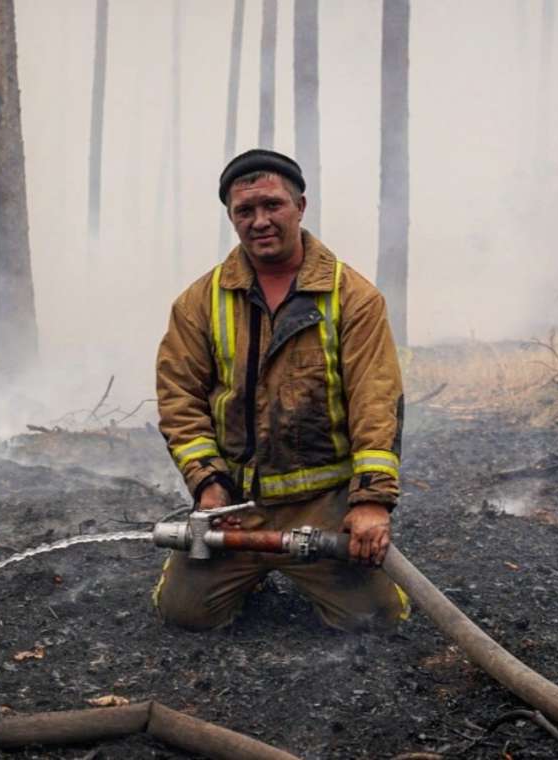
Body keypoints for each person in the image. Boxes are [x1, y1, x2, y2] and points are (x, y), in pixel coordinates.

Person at [152, 148, 409, 632]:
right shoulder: (198, 303)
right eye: (244, 211)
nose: (260, 221)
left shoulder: (354, 298)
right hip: (236, 509)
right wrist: (208, 485)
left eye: (273, 205)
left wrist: (370, 502)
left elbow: (376, 404)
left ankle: (324, 573)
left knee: (378, 621)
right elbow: (179, 400)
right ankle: (248, 574)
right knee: (182, 616)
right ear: (231, 217)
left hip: (324, 509)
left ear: (300, 207)